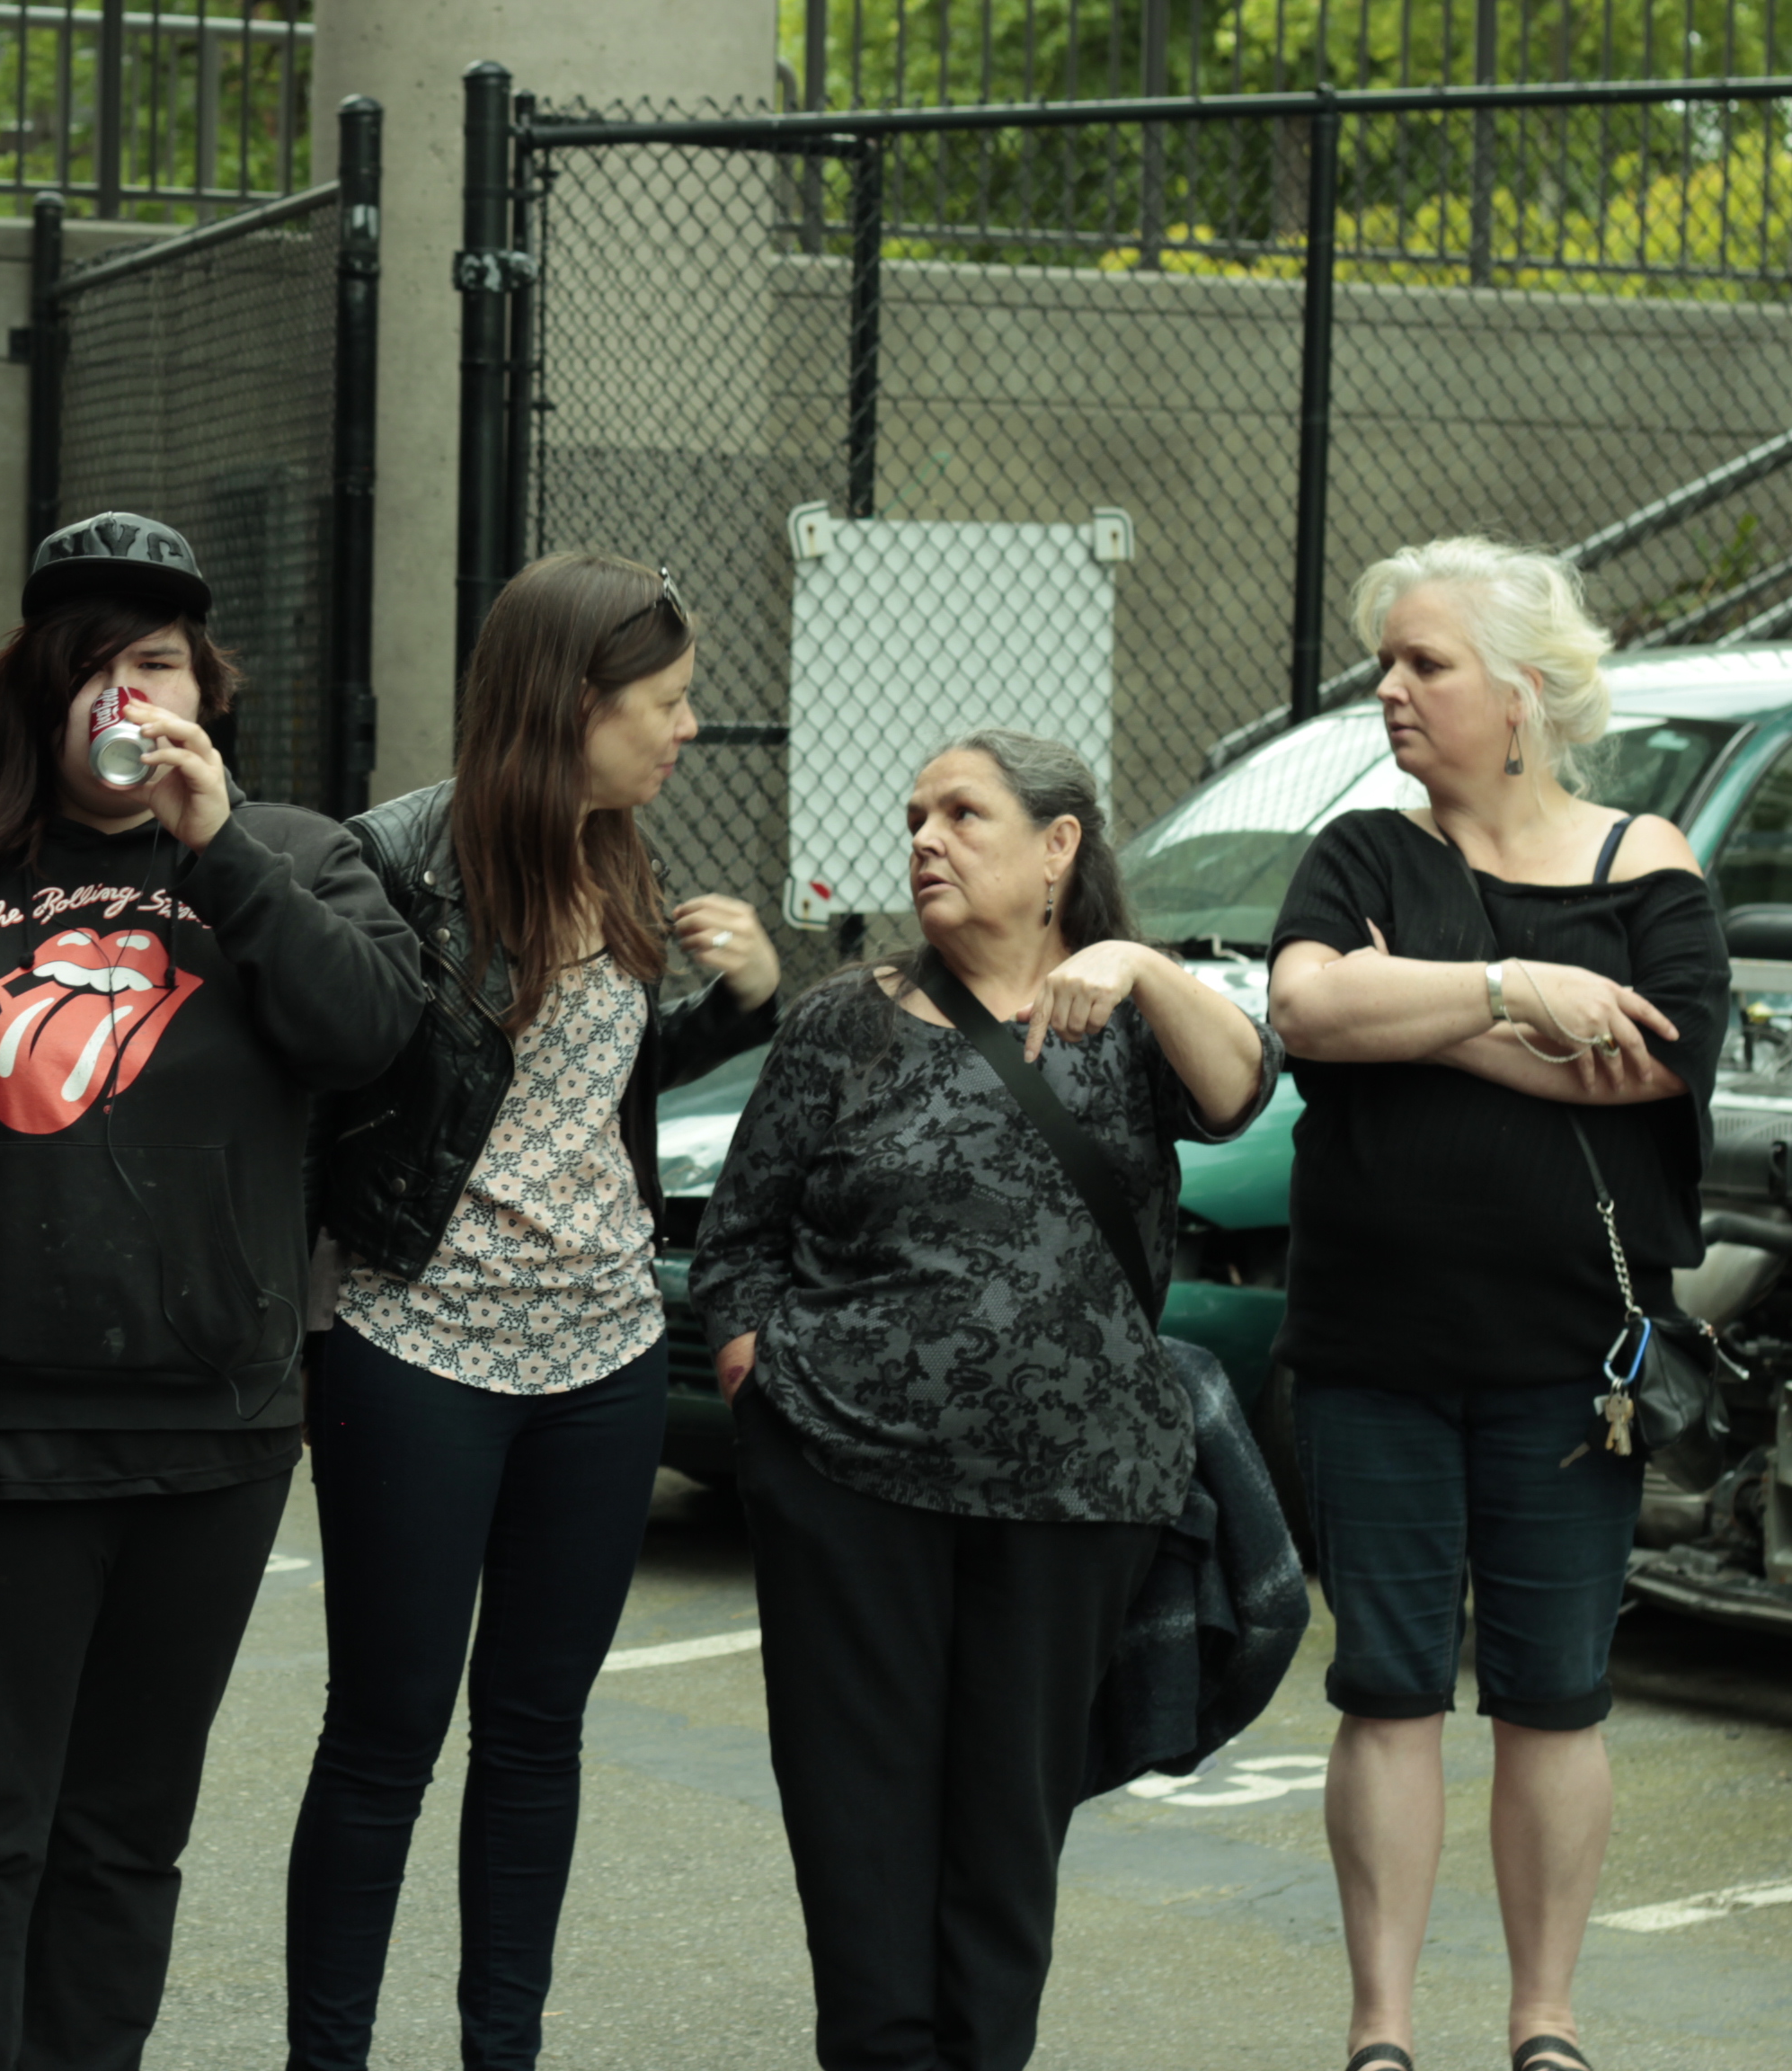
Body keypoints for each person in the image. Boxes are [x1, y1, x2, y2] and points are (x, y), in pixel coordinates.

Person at [0, 511, 423, 2071]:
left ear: (207, 691)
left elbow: (368, 1032)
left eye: (160, 665)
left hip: (212, 1440)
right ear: (40, 696)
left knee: (123, 1838)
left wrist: (218, 846)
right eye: (95, 668)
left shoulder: (295, 855)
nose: (130, 697)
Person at [691, 727, 1276, 2071]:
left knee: (1007, 1833)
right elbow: (737, 1247)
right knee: (858, 1817)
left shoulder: (1133, 1016)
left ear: (1060, 846)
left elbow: (1244, 1088)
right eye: (914, 817)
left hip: (1073, 1495)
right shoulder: (845, 1020)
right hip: (849, 1485)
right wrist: (763, 1387)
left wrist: (1133, 962)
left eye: (964, 814)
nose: (926, 840)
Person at [289, 552, 782, 2071]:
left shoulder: (617, 849)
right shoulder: (390, 862)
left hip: (604, 1357)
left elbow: (583, 1083)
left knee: (536, 1735)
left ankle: (501, 2050)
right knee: (385, 1741)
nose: (688, 729)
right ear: (573, 705)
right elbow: (352, 1079)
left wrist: (743, 1006)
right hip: (415, 1345)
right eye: (666, 702)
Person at [1264, 540, 1722, 2071]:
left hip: (1570, 1361)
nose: (1389, 689)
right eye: (1386, 663)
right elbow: (1310, 1004)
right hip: (1372, 1348)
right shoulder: (1359, 854)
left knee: (1555, 1696)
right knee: (1388, 1687)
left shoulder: (1641, 858)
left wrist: (1430, 1010)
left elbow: (1656, 1058)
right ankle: (1382, 2035)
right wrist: (1511, 992)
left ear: (1520, 693)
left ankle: (1544, 2023)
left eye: (1425, 663)